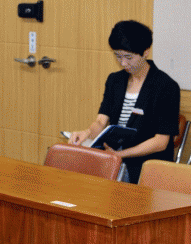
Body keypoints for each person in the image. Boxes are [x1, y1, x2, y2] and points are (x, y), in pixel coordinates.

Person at [68, 20, 179, 183]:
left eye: (128, 57)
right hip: (113, 157)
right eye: (118, 56)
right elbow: (101, 121)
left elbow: (161, 142)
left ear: (146, 52)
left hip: (145, 165)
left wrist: (119, 155)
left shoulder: (165, 86)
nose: (123, 63)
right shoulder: (115, 80)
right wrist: (87, 133)